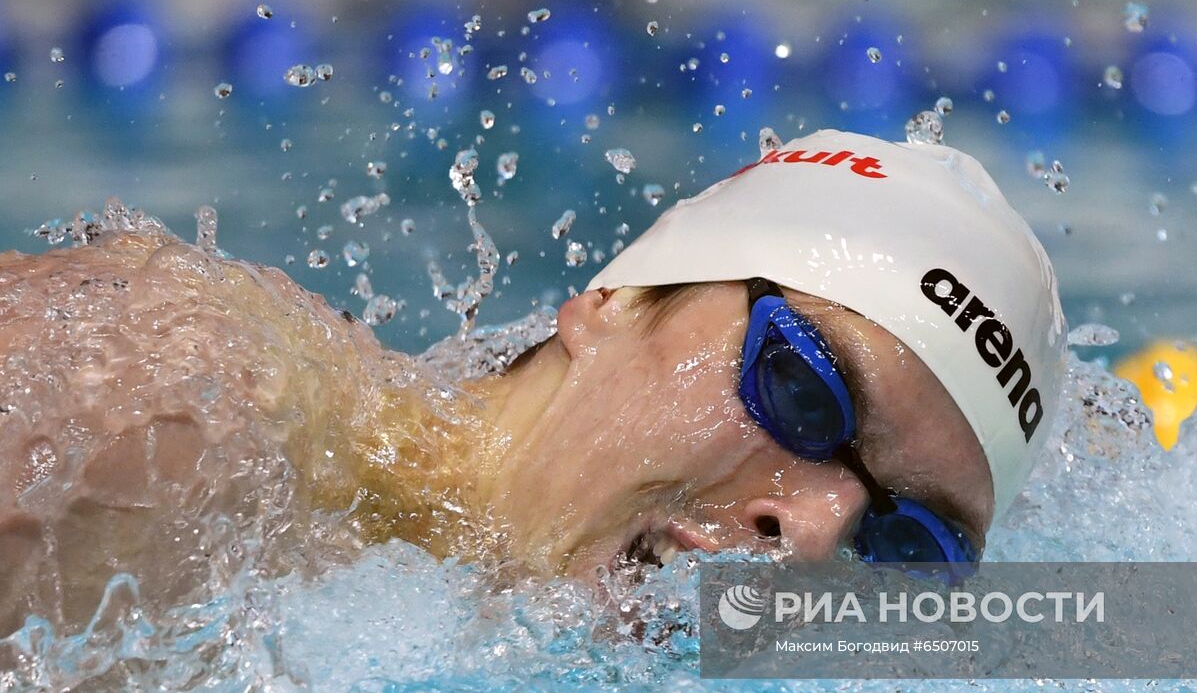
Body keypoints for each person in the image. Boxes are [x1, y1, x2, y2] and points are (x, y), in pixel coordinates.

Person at [0, 129, 1064, 634]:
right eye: (805, 392)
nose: (819, 538)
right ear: (612, 299)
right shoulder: (177, 408)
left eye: (903, 546)